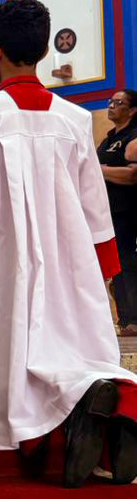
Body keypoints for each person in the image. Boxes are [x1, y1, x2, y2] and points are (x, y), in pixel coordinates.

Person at [0, 0, 137, 486]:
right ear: (45, 51)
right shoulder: (74, 119)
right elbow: (95, 206)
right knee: (69, 343)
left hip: (1, 258)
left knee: (9, 347)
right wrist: (105, 270)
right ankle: (100, 401)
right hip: (68, 258)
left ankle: (34, 433)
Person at [97, 90, 137, 335]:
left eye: (118, 103)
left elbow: (132, 175)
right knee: (116, 266)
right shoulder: (109, 139)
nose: (111, 106)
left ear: (132, 111)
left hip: (129, 211)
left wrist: (99, 169)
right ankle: (124, 320)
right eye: (110, 102)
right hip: (109, 212)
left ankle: (134, 320)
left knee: (129, 263)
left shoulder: (133, 137)